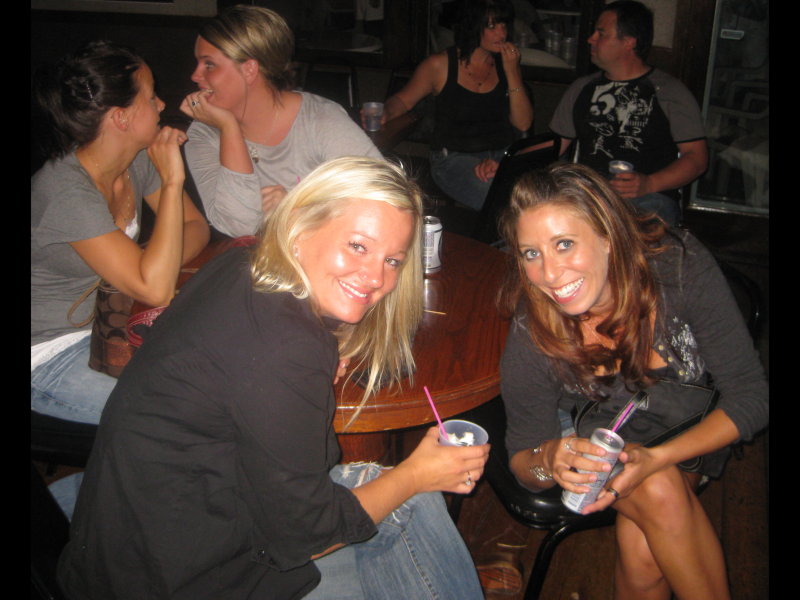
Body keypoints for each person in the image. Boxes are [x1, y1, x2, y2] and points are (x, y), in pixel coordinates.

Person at [57, 156, 490, 600]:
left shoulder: (240, 262)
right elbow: (310, 533)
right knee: (415, 499)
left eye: (393, 260)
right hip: (181, 576)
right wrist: (417, 474)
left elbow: (240, 375)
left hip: (126, 539)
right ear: (300, 225)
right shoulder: (288, 349)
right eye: (358, 246)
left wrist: (299, 369)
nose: (376, 277)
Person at [496, 163, 767, 599]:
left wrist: (658, 458)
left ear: (607, 236)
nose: (549, 273)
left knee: (647, 535)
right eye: (531, 253)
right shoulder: (535, 328)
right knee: (655, 506)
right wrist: (552, 457)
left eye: (564, 244)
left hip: (683, 427)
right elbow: (524, 462)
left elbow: (752, 398)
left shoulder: (677, 266)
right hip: (591, 434)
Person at [31, 40, 210, 426]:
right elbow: (155, 289)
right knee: (181, 417)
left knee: (218, 377)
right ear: (121, 118)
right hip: (49, 352)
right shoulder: (65, 190)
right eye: (150, 97)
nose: (161, 104)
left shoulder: (135, 159)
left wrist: (152, 265)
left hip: (115, 324)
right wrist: (173, 181)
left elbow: (196, 227)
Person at [181, 5, 382, 238]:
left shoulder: (319, 119)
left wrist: (296, 210)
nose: (195, 76)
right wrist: (229, 129)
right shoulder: (203, 134)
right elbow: (239, 226)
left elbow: (384, 199)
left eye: (209, 64)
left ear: (249, 70)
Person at [549, 0, 708, 227]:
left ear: (628, 42)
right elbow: (553, 146)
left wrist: (650, 183)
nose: (590, 39)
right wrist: (509, 162)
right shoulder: (581, 88)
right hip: (590, 198)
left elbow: (697, 159)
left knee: (633, 233)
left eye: (601, 33)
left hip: (649, 199)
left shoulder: (669, 91)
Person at [377, 0, 533, 211]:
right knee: (500, 199)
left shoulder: (506, 64)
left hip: (501, 156)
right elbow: (403, 100)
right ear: (473, 26)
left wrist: (512, 71)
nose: (501, 33)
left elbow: (523, 123)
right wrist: (385, 112)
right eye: (491, 26)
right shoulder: (439, 65)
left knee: (532, 195)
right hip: (453, 158)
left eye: (503, 25)